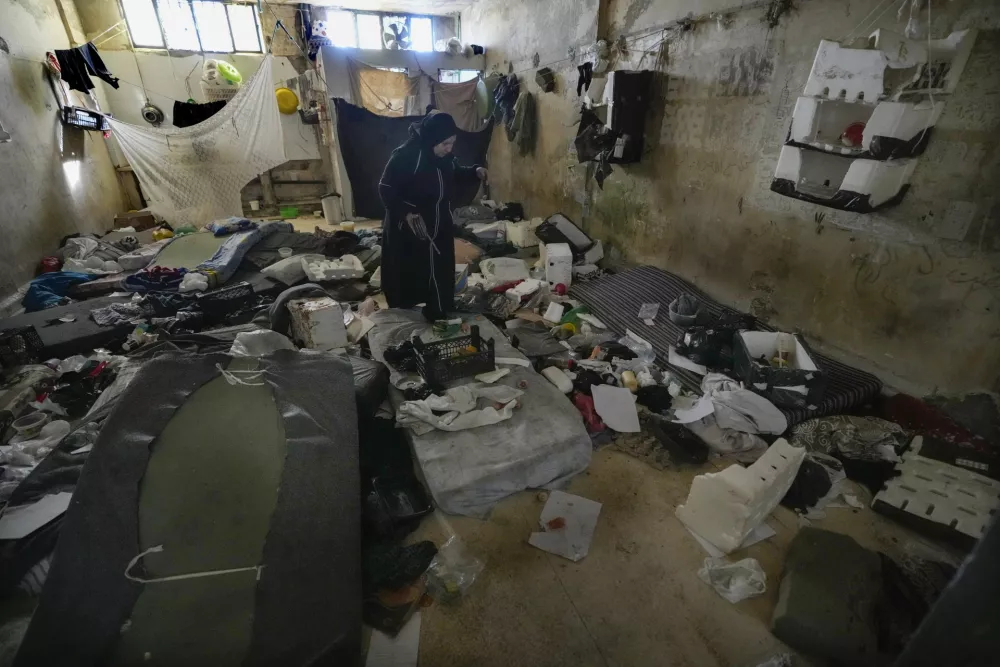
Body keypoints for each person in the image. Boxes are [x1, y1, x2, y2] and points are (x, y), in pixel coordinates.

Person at [378, 112, 487, 320]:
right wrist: (405, 212)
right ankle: (403, 315)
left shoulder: (445, 158)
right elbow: (385, 187)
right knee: (409, 270)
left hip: (439, 223)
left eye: (452, 143)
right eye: (445, 143)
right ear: (432, 139)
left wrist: (475, 171)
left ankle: (438, 309)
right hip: (412, 225)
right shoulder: (407, 155)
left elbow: (455, 172)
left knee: (440, 268)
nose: (449, 149)